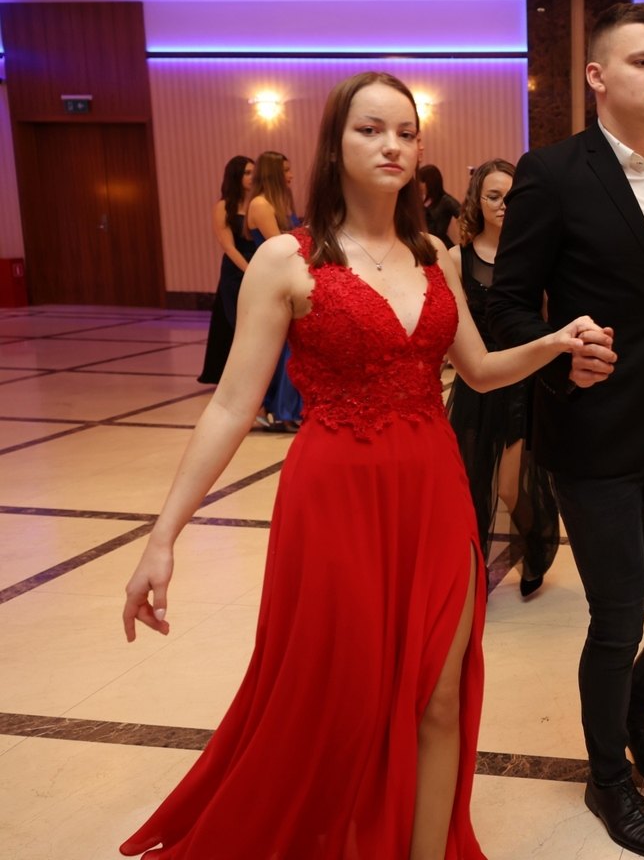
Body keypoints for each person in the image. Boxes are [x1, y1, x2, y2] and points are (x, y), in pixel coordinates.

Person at [119, 71, 608, 859]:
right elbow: (231, 405)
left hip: (435, 490)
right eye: (371, 129)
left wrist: (553, 344)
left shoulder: (436, 256)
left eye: (406, 133)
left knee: (440, 696)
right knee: (344, 699)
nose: (392, 146)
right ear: (334, 145)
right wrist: (162, 535)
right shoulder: (287, 258)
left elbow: (479, 371)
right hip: (334, 497)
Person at [488, 2, 644, 860]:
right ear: (597, 76)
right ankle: (607, 779)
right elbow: (509, 304)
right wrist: (562, 358)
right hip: (591, 425)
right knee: (616, 616)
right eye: (642, 62)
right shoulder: (554, 172)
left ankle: (632, 708)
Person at [448, 158, 560, 598]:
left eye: (510, 197)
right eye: (493, 196)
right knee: (471, 483)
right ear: (476, 200)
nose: (502, 205)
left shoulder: (533, 256)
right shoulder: (456, 258)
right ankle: (471, 573)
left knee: (511, 487)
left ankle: (535, 544)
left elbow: (546, 322)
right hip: (475, 383)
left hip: (520, 382)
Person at [246, 150, 305, 432]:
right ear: (273, 174)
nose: (291, 175)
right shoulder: (260, 204)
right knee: (283, 350)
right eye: (286, 170)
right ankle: (284, 411)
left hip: (285, 277)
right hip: (271, 281)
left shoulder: (278, 202)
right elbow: (280, 243)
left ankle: (286, 409)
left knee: (290, 347)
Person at [197, 155, 253, 385]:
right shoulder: (223, 206)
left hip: (258, 263)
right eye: (247, 173)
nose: (252, 177)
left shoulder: (257, 203)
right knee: (233, 321)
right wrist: (250, 270)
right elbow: (228, 246)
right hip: (236, 269)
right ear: (235, 176)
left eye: (254, 173)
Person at [419, 163, 461, 249]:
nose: (419, 185)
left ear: (430, 182)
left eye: (422, 181)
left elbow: (465, 216)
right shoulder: (426, 200)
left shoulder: (446, 200)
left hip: (441, 246)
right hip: (426, 245)